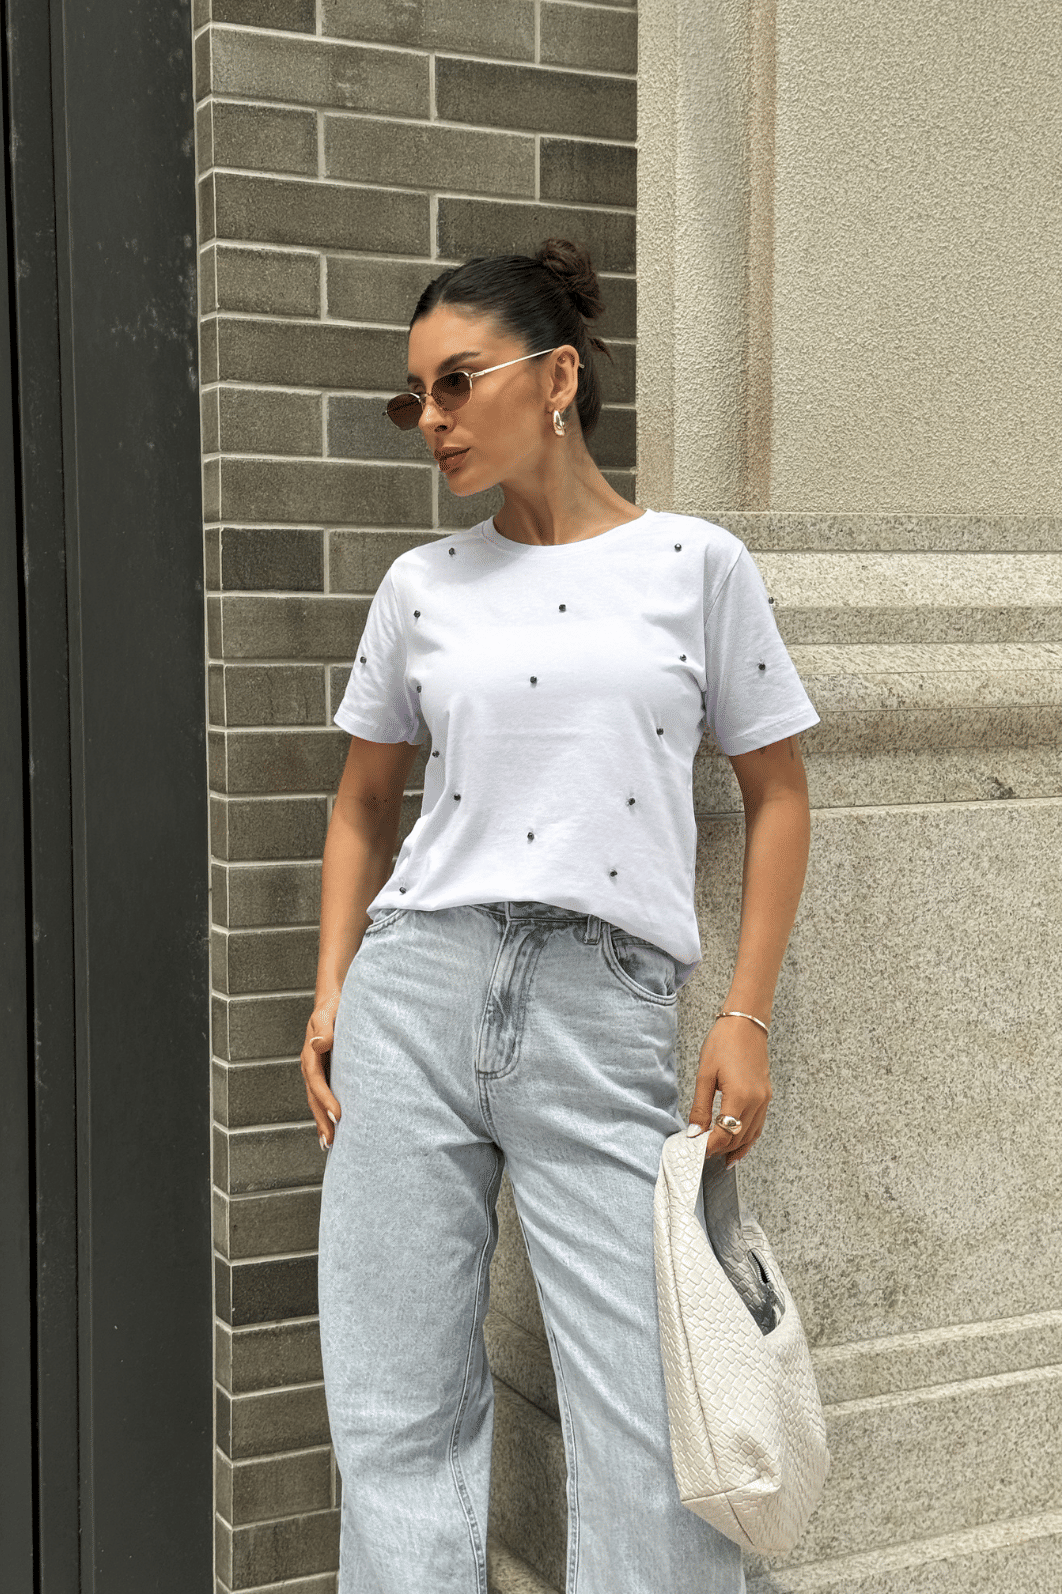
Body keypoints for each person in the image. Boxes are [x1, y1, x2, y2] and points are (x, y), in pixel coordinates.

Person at [302, 237, 819, 1593]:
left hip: (600, 1008)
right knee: (394, 1406)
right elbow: (363, 805)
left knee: (650, 1417)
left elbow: (777, 794)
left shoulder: (693, 564)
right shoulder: (420, 585)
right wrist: (332, 988)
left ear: (558, 377)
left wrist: (746, 1014)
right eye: (414, 396)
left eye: (457, 381)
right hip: (413, 994)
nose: (432, 419)